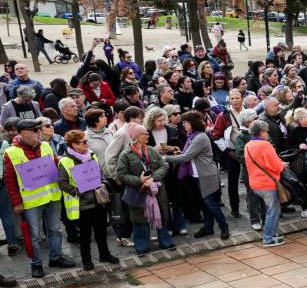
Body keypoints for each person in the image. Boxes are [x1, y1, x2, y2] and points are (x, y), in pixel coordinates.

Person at [4, 118, 72, 277]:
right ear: (23, 133)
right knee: (34, 236)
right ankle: (36, 264)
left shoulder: (46, 146)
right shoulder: (11, 152)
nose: (38, 133)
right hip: (31, 202)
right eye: (35, 130)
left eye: (38, 130)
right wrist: (16, 203)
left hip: (52, 197)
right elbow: (9, 180)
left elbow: (56, 164)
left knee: (55, 230)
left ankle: (55, 257)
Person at [57, 129, 117, 270]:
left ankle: (105, 254)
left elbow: (100, 174)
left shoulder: (91, 155)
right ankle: (86, 260)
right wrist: (77, 192)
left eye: (86, 141)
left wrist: (103, 183)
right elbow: (62, 183)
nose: (87, 144)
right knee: (85, 235)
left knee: (101, 231)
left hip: (98, 200)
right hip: (81, 204)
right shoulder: (65, 161)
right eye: (83, 142)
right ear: (74, 144)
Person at [164, 110, 229, 240]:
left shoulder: (199, 137)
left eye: (185, 122)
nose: (183, 125)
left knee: (210, 203)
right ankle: (208, 227)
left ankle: (224, 227)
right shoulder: (193, 136)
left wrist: (165, 158)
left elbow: (186, 157)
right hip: (198, 174)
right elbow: (189, 153)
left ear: (192, 123)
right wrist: (178, 152)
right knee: (204, 203)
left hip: (205, 175)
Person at [114, 123, 174, 255]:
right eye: (144, 134)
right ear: (136, 137)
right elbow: (122, 175)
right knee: (139, 218)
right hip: (138, 192)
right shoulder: (125, 154)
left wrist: (153, 178)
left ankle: (166, 242)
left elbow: (163, 166)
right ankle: (141, 246)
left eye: (147, 133)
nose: (147, 135)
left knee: (162, 214)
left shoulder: (152, 150)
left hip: (157, 191)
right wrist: (139, 180)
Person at [243, 119, 287, 247]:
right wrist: (282, 165)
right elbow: (275, 164)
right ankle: (268, 238)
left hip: (255, 183)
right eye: (267, 131)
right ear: (262, 132)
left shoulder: (248, 145)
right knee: (273, 211)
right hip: (268, 183)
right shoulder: (265, 145)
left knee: (272, 210)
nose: (268, 133)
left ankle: (274, 234)